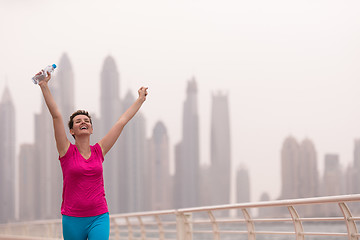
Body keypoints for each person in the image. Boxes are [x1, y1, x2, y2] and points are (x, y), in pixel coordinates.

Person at [36, 70, 148, 239]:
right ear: (72, 131)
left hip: (99, 216)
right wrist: (44, 85)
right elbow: (56, 116)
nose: (83, 122)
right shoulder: (66, 151)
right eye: (78, 121)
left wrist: (140, 100)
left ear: (91, 129)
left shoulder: (99, 150)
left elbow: (121, 122)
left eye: (87, 121)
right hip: (72, 219)